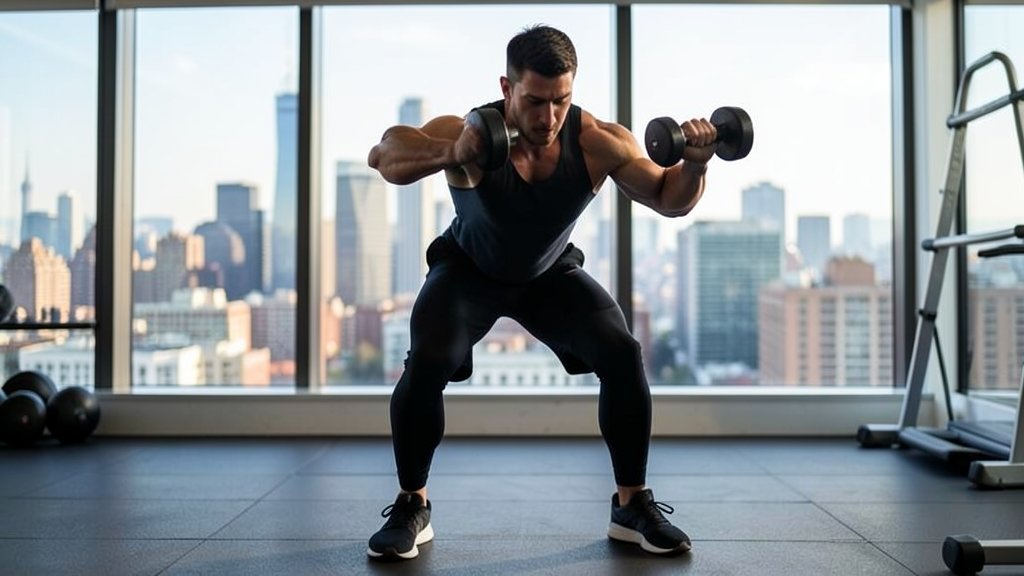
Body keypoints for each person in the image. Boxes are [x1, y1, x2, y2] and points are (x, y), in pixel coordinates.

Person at [365, 24, 717, 561]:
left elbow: (670, 199)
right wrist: (451, 152)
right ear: (507, 88)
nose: (548, 117)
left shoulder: (599, 141)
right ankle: (413, 504)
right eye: (534, 101)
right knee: (427, 361)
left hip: (548, 275)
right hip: (468, 272)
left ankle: (631, 505)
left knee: (622, 354)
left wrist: (694, 162)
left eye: (561, 101)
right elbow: (384, 156)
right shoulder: (468, 132)